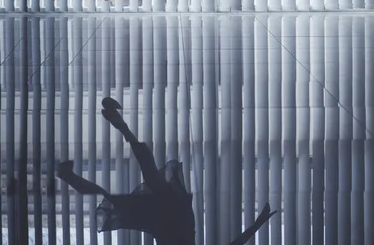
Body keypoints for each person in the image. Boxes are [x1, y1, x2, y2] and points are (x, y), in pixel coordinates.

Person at [57, 97, 277, 244]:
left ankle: (116, 126)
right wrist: (258, 223)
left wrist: (259, 223)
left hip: (167, 217)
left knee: (133, 179)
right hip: (170, 214)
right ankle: (116, 125)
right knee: (139, 174)